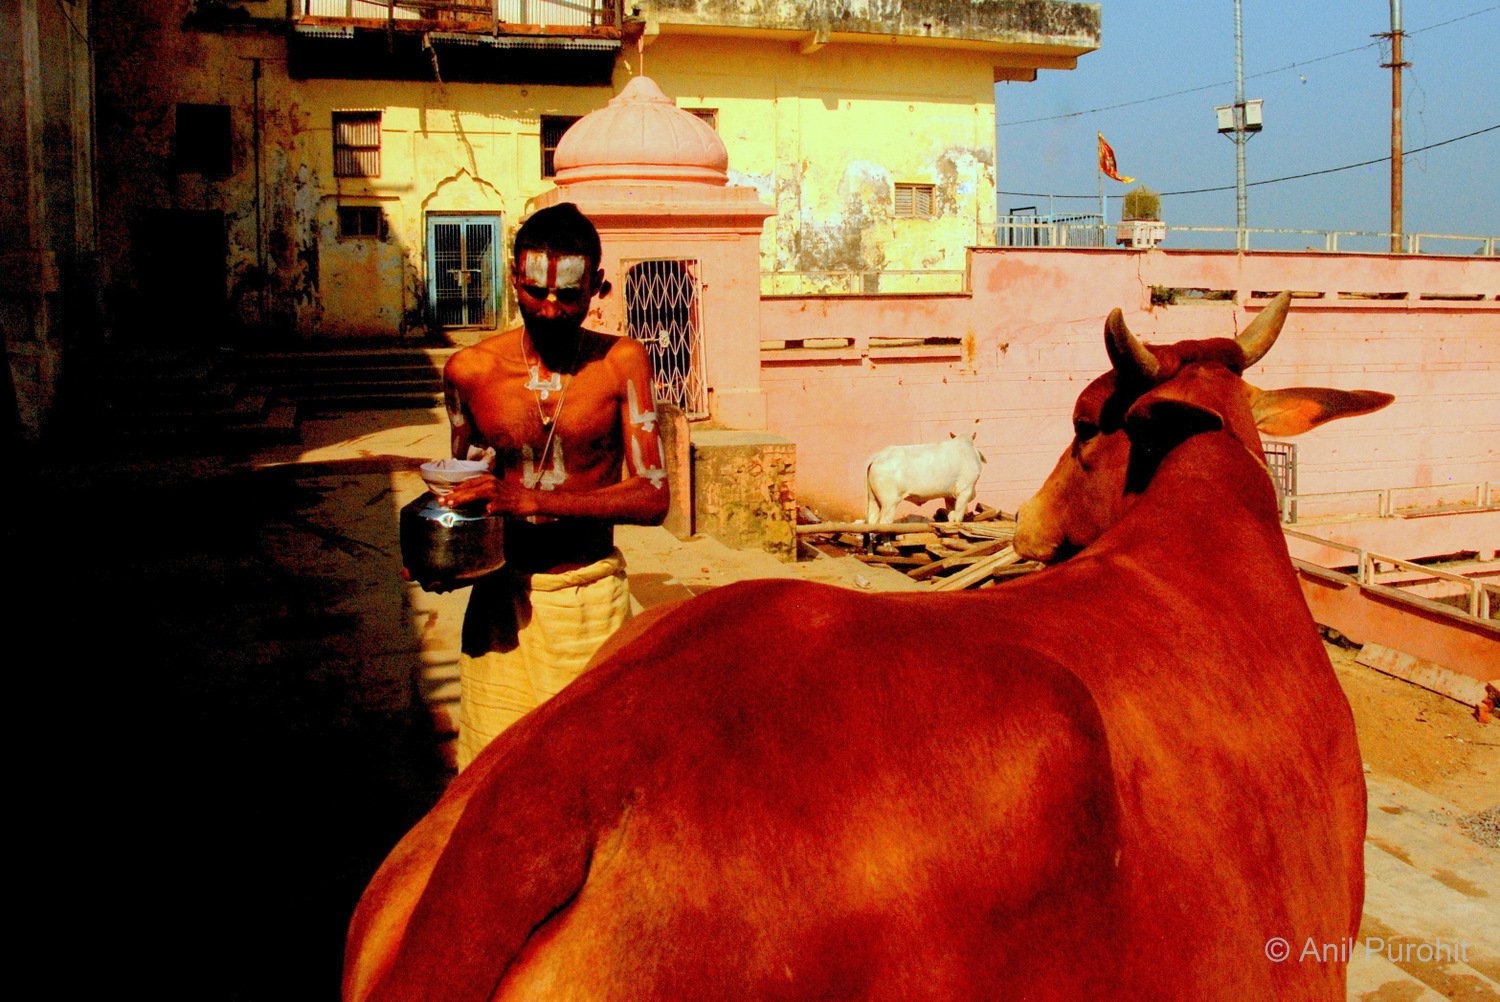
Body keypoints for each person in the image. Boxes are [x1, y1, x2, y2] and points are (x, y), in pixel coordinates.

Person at [435, 203, 669, 769]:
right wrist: (441, 555)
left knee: (592, 773)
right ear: (514, 277)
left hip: (589, 599)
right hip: (501, 608)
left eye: (569, 295)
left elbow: (653, 496)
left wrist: (533, 500)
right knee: (495, 776)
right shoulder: (469, 372)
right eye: (535, 291)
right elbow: (464, 487)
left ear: (597, 286)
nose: (550, 308)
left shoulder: (621, 364)